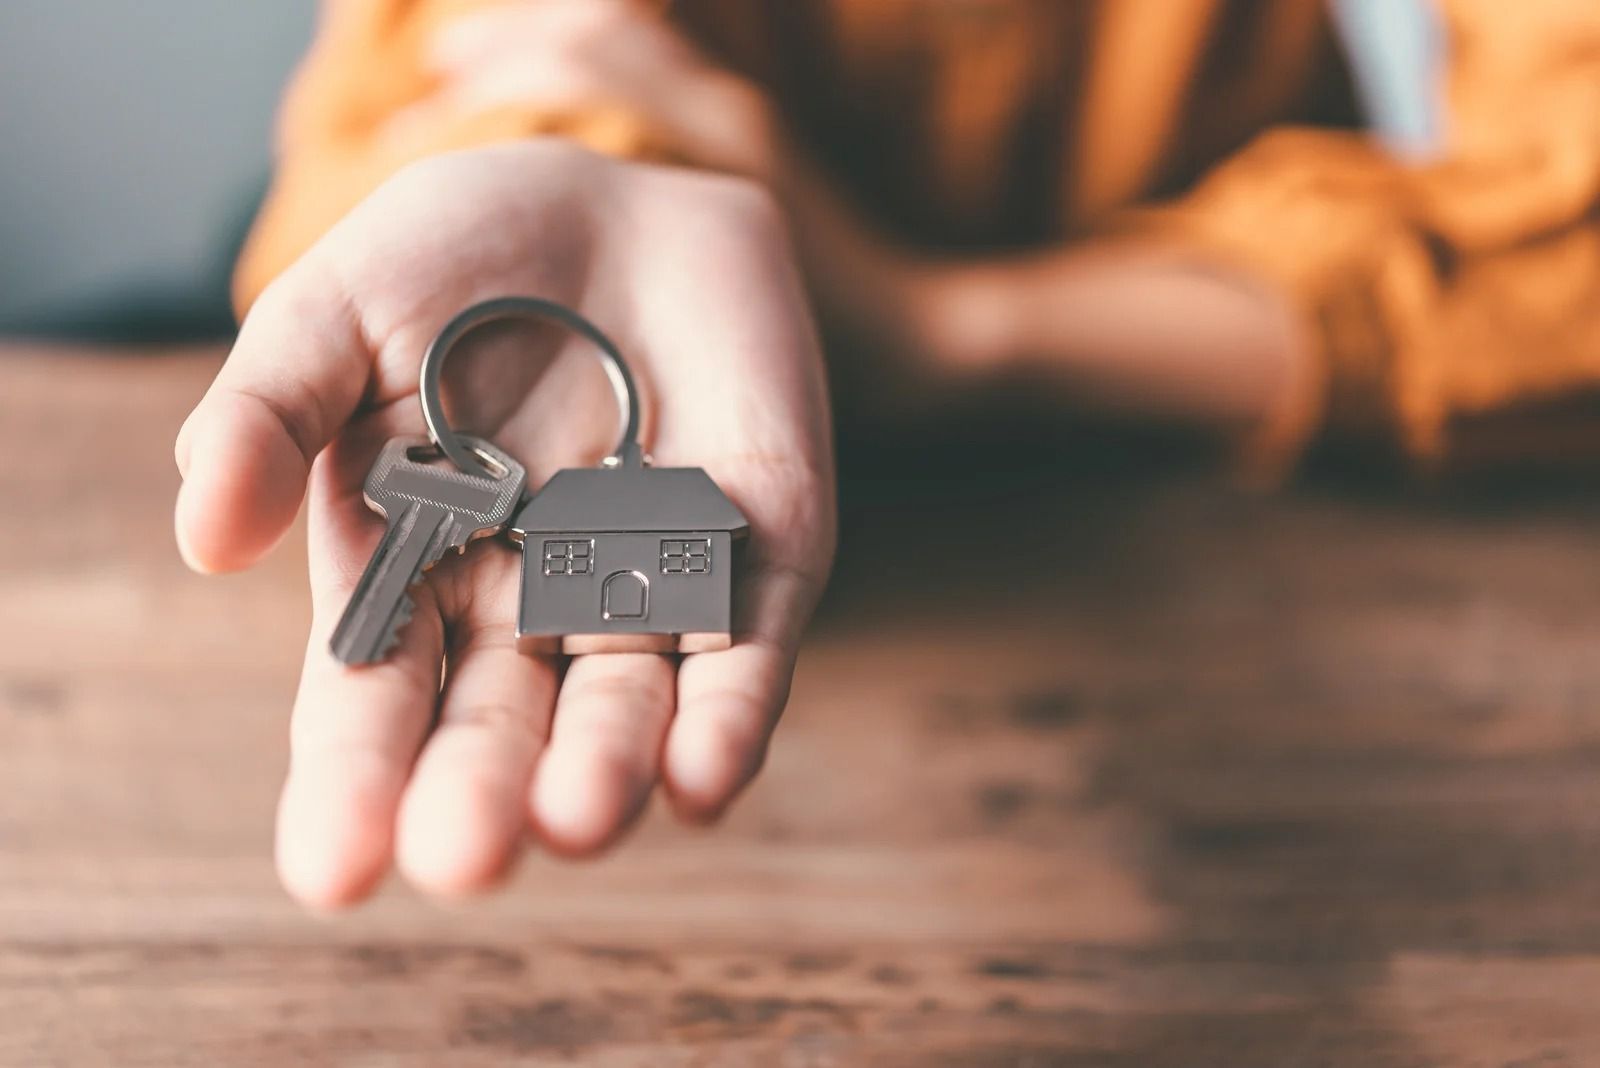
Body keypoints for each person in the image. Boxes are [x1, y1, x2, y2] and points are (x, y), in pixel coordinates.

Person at [173, 0, 1600, 909]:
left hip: (1230, 495)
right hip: (990, 529)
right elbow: (463, 61)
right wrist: (593, 156)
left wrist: (935, 327)